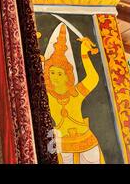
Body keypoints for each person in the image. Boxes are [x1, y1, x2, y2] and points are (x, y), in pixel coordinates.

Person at [44, 24, 104, 164]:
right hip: (63, 146)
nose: (55, 77)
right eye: (52, 73)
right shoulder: (46, 96)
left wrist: (85, 55)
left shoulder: (75, 93)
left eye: (60, 73)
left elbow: (93, 79)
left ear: (68, 76)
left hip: (87, 142)